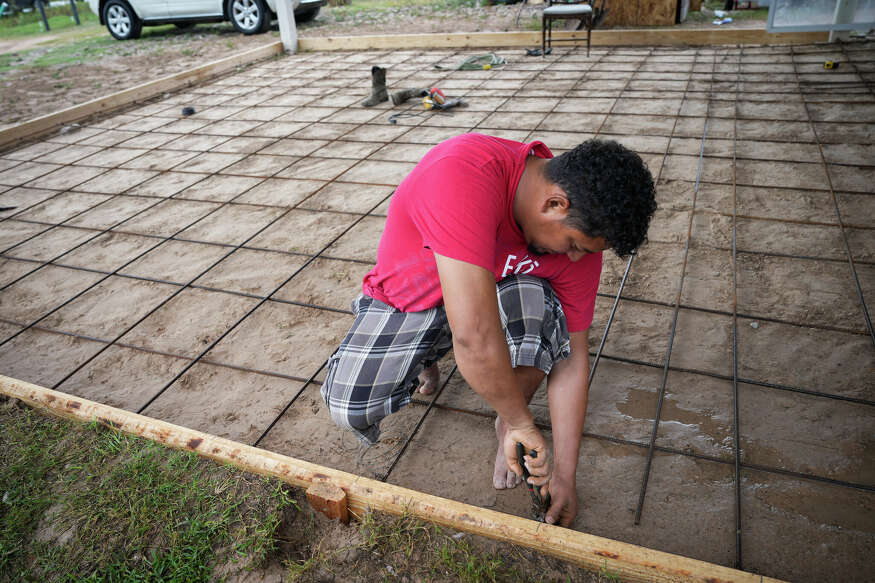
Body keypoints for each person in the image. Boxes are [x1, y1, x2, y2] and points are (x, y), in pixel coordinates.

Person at [321, 132, 656, 527]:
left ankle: (506, 413)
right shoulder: (463, 174)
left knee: (538, 300)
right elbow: (473, 335)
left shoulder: (580, 233)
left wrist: (565, 473)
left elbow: (573, 359)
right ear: (553, 204)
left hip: (493, 302)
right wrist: (523, 423)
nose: (575, 257)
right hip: (415, 298)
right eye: (573, 244)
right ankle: (431, 361)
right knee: (350, 405)